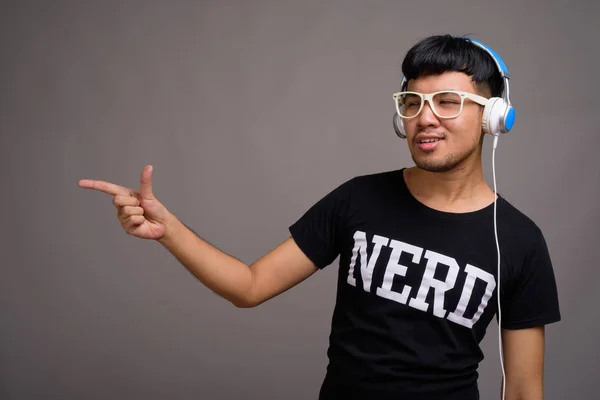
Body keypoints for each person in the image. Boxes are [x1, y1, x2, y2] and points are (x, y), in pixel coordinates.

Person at [78, 34, 561, 400]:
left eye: (448, 102)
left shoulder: (518, 241)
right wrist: (169, 230)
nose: (425, 118)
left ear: (493, 116)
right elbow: (249, 286)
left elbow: (521, 390)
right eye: (412, 102)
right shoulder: (359, 199)